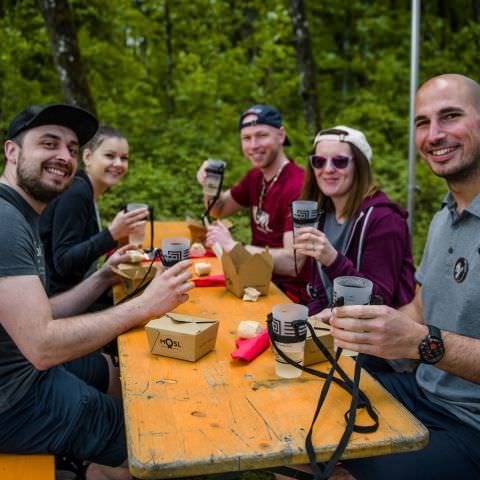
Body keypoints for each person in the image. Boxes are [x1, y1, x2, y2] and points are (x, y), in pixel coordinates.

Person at [0, 104, 194, 480]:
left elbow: (41, 314)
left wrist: (103, 277)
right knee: (156, 441)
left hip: (21, 369)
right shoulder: (6, 224)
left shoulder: (21, 214)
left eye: (71, 149)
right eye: (49, 143)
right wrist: (143, 307)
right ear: (12, 151)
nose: (63, 157)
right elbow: (42, 346)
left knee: (114, 372)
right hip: (14, 398)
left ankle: (86, 459)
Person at [327, 74, 480, 479]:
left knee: (348, 463)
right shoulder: (443, 218)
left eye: (450, 116)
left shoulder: (383, 217)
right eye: (422, 122)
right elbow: (418, 306)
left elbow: (421, 338)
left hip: (471, 424)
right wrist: (366, 327)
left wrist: (421, 343)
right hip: (422, 390)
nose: (435, 134)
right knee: (306, 412)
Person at [274, 126, 416, 319]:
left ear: (359, 165)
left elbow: (379, 299)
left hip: (374, 339)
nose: (328, 169)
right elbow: (320, 289)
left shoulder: (384, 220)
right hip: (334, 330)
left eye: (340, 161)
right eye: (319, 161)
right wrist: (312, 325)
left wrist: (332, 260)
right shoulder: (323, 213)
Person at [197, 104, 309, 302]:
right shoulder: (255, 177)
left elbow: (294, 263)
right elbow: (218, 210)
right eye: (246, 138)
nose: (253, 145)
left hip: (289, 295)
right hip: (255, 280)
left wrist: (232, 246)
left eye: (261, 135)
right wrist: (210, 186)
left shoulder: (298, 185)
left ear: (281, 136)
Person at [40, 125, 147, 301]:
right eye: (109, 156)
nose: (118, 164)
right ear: (87, 157)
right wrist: (111, 234)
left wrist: (117, 240)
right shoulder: (76, 193)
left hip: (76, 290)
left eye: (124, 158)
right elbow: (63, 263)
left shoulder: (87, 190)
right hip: (58, 301)